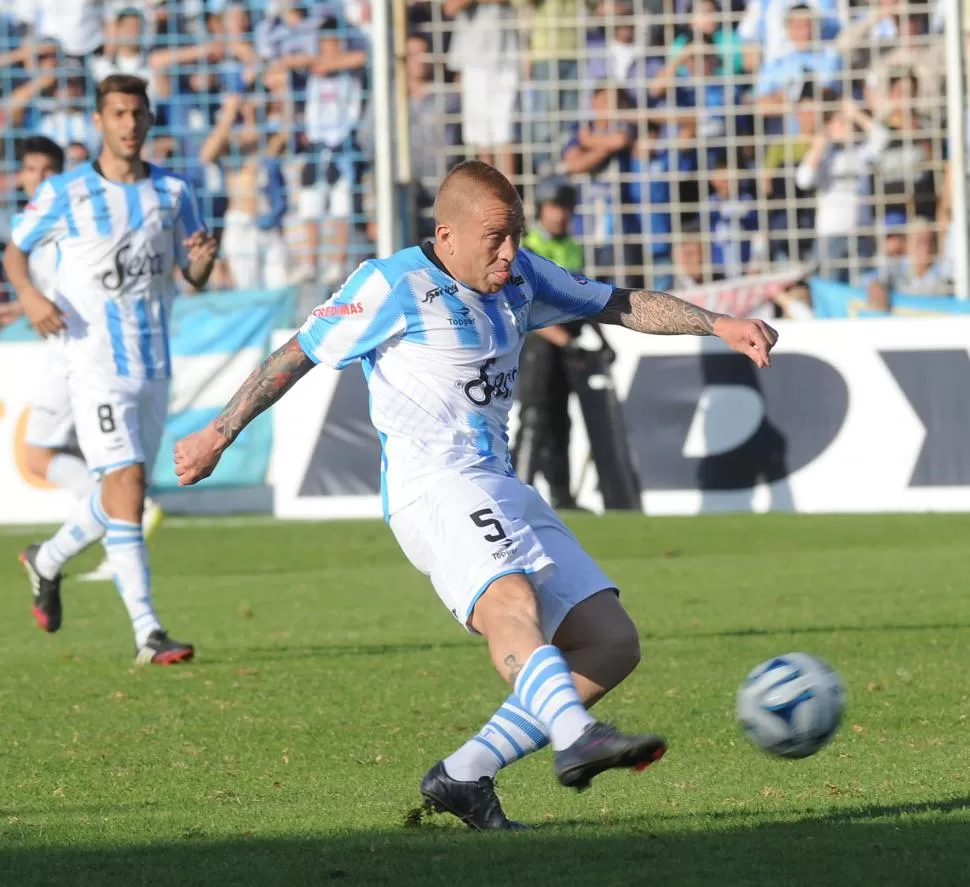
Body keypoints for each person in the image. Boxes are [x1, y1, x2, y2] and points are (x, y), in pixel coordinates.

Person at [173, 161, 777, 828]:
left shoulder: (520, 275)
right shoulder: (390, 283)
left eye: (515, 233)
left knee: (611, 640)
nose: (510, 251)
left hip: (499, 483)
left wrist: (718, 323)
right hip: (431, 486)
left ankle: (465, 773)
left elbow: (615, 300)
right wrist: (218, 432)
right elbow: (299, 352)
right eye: (495, 236)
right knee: (510, 601)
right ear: (447, 234)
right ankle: (575, 734)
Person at [4, 74, 217, 664]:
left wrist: (202, 262)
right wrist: (30, 296)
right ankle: (148, 630)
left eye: (137, 114)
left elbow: (189, 277)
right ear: (99, 121)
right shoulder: (67, 192)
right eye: (118, 113)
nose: (128, 124)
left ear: (150, 121)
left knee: (126, 490)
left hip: (153, 363)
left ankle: (45, 559)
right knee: (124, 484)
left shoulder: (174, 193)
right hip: (91, 360)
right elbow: (15, 250)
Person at [15, 134, 165, 586]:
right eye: (30, 170)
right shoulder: (43, 219)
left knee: (38, 456)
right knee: (90, 458)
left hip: (75, 354)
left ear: (60, 173)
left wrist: (34, 300)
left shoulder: (60, 222)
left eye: (47, 171)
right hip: (77, 350)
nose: (38, 179)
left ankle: (120, 508)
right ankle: (113, 515)